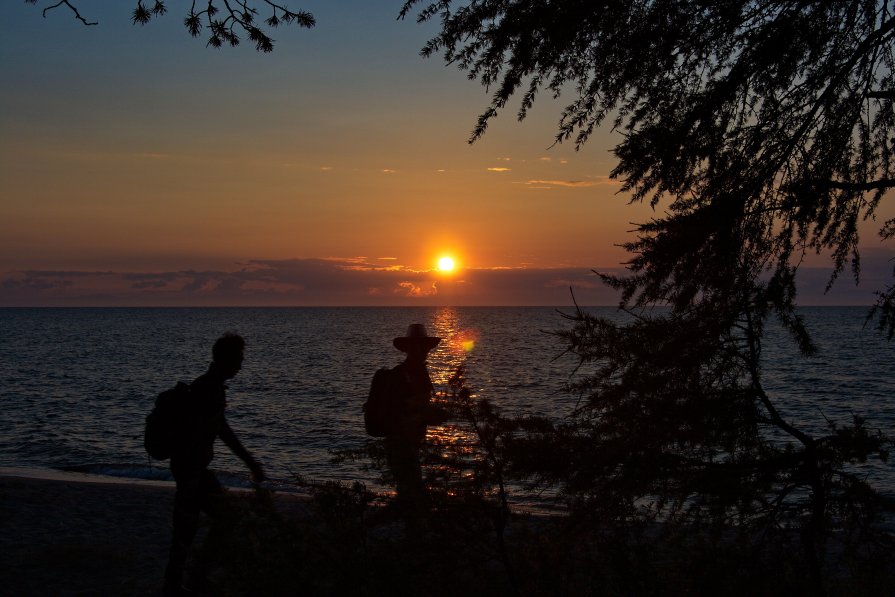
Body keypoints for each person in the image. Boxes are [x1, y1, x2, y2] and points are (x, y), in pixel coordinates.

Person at [163, 332, 265, 596]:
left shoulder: (211, 386)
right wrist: (250, 463)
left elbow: (221, 429)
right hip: (191, 470)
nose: (242, 364)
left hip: (193, 469)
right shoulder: (207, 388)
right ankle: (193, 578)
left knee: (193, 527)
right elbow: (208, 432)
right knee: (199, 525)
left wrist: (250, 462)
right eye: (239, 358)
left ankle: (188, 579)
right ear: (226, 359)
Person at [382, 323, 447, 518]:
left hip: (408, 443)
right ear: (408, 349)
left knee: (409, 499)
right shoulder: (404, 374)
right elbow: (408, 409)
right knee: (414, 500)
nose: (421, 350)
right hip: (401, 443)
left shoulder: (418, 372)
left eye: (423, 346)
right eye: (416, 346)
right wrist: (431, 414)